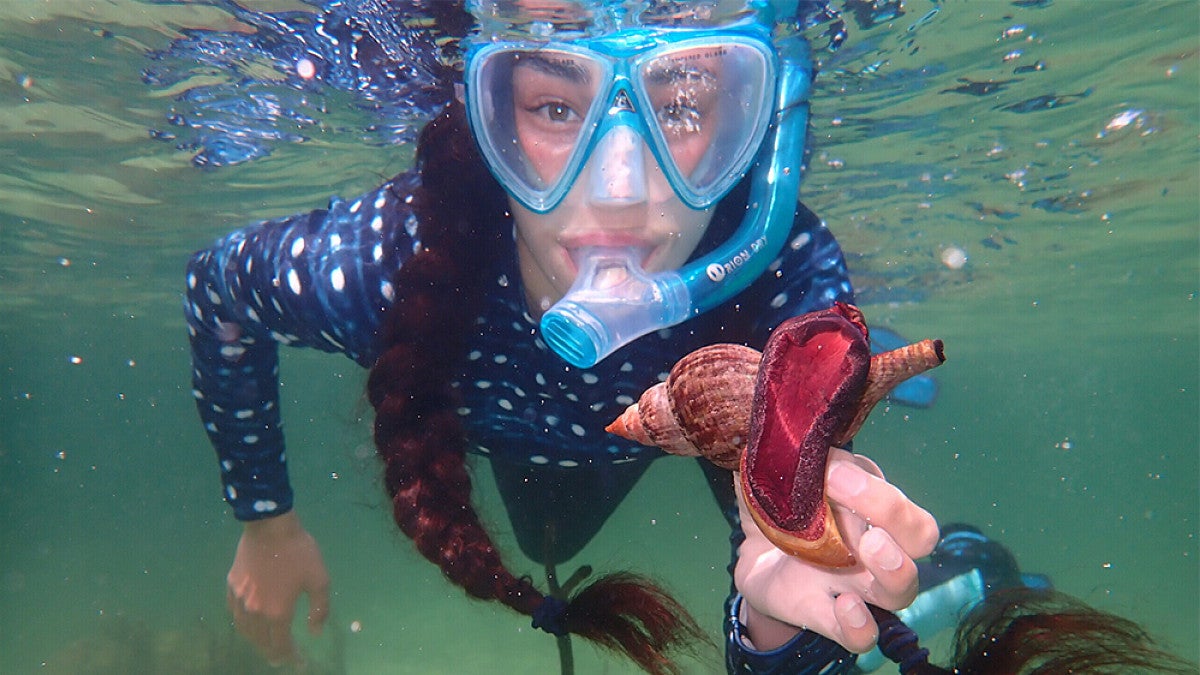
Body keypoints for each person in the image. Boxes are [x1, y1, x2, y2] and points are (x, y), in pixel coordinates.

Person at [178, 2, 1077, 673]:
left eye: (682, 105)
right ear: (487, 119)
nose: (616, 191)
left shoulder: (782, 280)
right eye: (554, 108)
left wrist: (776, 622)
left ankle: (957, 553)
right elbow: (216, 288)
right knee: (543, 543)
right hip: (531, 442)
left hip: (680, 423)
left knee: (847, 601)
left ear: (750, 122)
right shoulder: (392, 260)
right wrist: (266, 520)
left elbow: (779, 582)